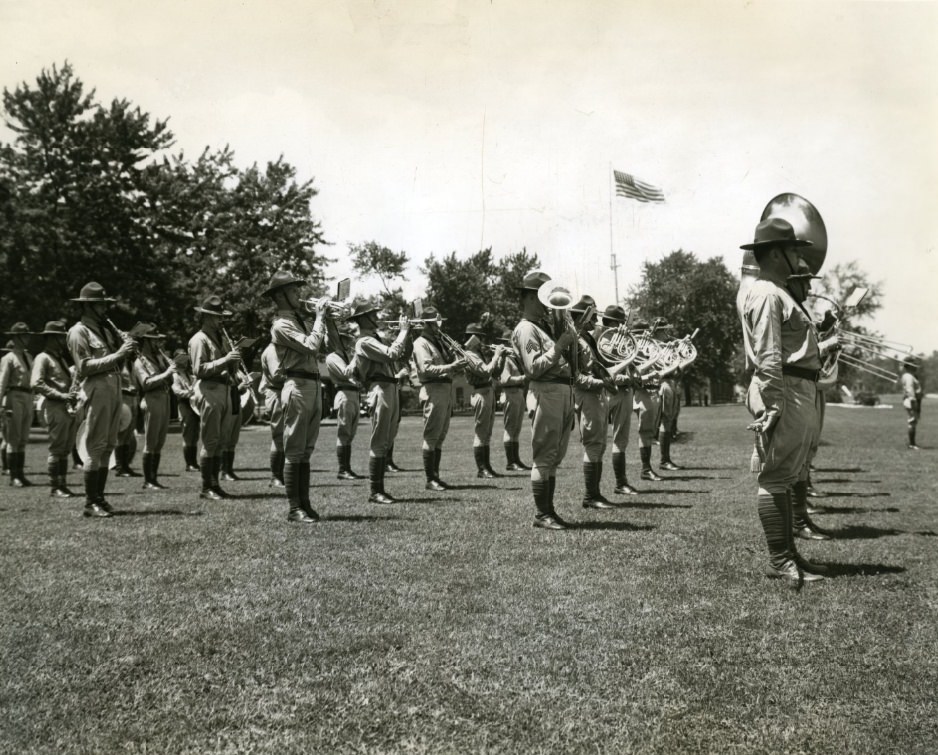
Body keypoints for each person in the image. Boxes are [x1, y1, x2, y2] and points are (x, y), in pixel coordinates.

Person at [739, 217, 828, 584]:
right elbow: (769, 354)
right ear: (776, 254)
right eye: (793, 249)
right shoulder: (766, 294)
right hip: (784, 390)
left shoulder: (780, 292)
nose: (798, 255)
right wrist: (773, 403)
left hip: (797, 388)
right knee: (775, 477)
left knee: (788, 476)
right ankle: (780, 559)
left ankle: (790, 555)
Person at [511, 272, 580, 530]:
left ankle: (548, 510)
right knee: (544, 455)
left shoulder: (543, 327)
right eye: (542, 298)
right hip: (546, 391)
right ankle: (542, 514)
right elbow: (534, 368)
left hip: (560, 391)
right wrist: (560, 346)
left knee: (554, 456)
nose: (547, 305)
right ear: (529, 298)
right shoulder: (526, 328)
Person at [67, 282, 137, 516]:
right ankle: (90, 502)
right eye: (100, 304)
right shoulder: (79, 331)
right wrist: (119, 354)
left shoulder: (105, 330)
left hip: (114, 386)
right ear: (88, 306)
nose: (104, 309)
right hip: (96, 388)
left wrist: (126, 347)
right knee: (96, 446)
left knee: (108, 445)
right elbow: (84, 367)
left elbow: (119, 360)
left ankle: (100, 497)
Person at [265, 271, 328, 523]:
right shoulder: (281, 324)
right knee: (294, 449)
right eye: (293, 291)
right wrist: (320, 317)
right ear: (279, 296)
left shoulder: (298, 320)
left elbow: (320, 345)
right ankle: (294, 508)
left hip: (312, 384)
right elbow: (312, 345)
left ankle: (305, 504)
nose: (299, 294)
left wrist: (324, 321)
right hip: (297, 385)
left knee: (305, 450)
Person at [348, 301, 411, 504]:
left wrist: (405, 335)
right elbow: (392, 353)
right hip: (380, 389)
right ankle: (376, 491)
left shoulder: (375, 338)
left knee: (386, 440)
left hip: (389, 387)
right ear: (362, 319)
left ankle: (380, 489)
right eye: (372, 315)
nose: (376, 318)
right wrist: (403, 331)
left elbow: (400, 353)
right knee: (379, 441)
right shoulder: (364, 341)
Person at [188, 294, 242, 501]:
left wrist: (234, 360)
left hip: (224, 389)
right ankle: (206, 487)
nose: (222, 321)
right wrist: (225, 359)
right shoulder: (199, 340)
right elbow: (198, 370)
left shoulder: (221, 339)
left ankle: (215, 484)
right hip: (209, 390)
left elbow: (230, 367)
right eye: (218, 317)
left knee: (220, 440)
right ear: (206, 317)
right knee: (210, 440)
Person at [570, 296, 617, 509]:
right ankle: (590, 496)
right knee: (592, 445)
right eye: (591, 316)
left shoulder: (587, 339)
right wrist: (601, 382)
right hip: (587, 394)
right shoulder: (576, 340)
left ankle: (595, 494)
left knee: (599, 445)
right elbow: (577, 377)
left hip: (595, 394)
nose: (595, 321)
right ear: (583, 316)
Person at [411, 307, 464, 490]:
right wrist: (451, 367)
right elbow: (426, 369)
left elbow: (447, 365)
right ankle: (430, 479)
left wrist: (456, 358)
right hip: (433, 389)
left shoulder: (437, 342)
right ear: (425, 324)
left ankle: (436, 476)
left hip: (444, 389)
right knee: (432, 436)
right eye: (433, 323)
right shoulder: (421, 343)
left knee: (440, 437)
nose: (437, 326)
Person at [30, 320, 78, 497]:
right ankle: (55, 486)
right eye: (60, 337)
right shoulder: (43, 358)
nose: (64, 341)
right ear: (51, 338)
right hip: (54, 405)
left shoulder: (61, 359)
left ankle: (62, 484)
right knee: (57, 447)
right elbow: (36, 383)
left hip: (66, 406)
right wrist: (61, 395)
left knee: (65, 448)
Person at [599, 306, 639, 495]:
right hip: (610, 391)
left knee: (621, 439)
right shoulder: (603, 340)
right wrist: (619, 341)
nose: (623, 327)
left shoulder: (624, 341)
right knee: (598, 441)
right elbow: (607, 362)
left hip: (624, 391)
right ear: (614, 323)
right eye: (620, 323)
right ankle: (594, 490)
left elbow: (630, 364)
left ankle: (621, 482)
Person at [132, 323, 177, 490]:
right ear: (147, 341)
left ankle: (154, 478)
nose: (158, 344)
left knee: (159, 441)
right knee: (151, 441)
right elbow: (146, 383)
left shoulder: (158, 358)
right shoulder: (139, 362)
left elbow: (169, 380)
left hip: (164, 398)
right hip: (152, 399)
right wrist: (166, 373)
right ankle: (148, 480)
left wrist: (171, 369)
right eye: (155, 341)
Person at [464, 322, 507, 478]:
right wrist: (496, 355)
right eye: (479, 337)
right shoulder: (469, 354)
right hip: (480, 393)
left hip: (487, 391)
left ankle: (487, 467)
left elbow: (495, 373)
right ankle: (482, 469)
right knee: (481, 432)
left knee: (487, 433)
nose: (481, 340)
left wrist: (501, 359)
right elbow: (485, 371)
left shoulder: (478, 353)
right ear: (473, 337)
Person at [0, 322, 36, 487]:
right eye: (24, 335)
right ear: (15, 337)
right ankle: (14, 476)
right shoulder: (8, 358)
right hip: (14, 395)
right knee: (13, 438)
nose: (27, 338)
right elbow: (2, 382)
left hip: (28, 396)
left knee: (23, 437)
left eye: (27, 335)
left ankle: (20, 474)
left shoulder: (29, 357)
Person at [325, 328, 363, 481]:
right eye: (346, 340)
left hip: (353, 394)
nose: (349, 343)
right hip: (344, 394)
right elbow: (346, 373)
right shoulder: (333, 357)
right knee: (344, 433)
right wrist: (355, 357)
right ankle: (343, 469)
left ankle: (347, 468)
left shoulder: (345, 356)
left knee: (350, 434)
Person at [631, 320, 664, 481]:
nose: (648, 334)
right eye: (645, 332)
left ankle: (647, 467)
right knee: (645, 432)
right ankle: (645, 468)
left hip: (653, 390)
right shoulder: (634, 348)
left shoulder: (648, 347)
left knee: (649, 432)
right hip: (643, 391)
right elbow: (637, 370)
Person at [497, 328, 530, 471]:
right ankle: (511, 462)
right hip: (510, 393)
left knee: (516, 429)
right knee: (510, 429)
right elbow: (505, 379)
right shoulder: (505, 359)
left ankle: (516, 460)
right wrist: (524, 378)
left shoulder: (515, 358)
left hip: (518, 393)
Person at [258, 341, 285, 486]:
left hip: (282, 393)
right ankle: (276, 476)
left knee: (286, 437)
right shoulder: (272, 351)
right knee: (279, 436)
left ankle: (281, 475)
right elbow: (276, 375)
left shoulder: (280, 349)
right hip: (277, 393)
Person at [171, 349, 201, 472]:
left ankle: (194, 462)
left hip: (193, 404)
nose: (184, 361)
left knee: (195, 434)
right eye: (181, 359)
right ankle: (189, 463)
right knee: (188, 434)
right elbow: (176, 390)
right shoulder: (175, 374)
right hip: (184, 404)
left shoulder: (189, 373)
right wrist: (188, 393)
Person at [657, 365, 683, 471]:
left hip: (670, 383)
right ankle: (664, 460)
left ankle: (666, 459)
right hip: (664, 383)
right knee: (665, 420)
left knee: (669, 420)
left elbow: (677, 374)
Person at [901, 358, 924, 450]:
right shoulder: (908, 376)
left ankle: (912, 443)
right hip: (911, 400)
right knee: (912, 421)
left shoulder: (910, 375)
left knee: (914, 421)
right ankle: (912, 444)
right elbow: (910, 389)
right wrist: (913, 401)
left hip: (913, 400)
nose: (915, 367)